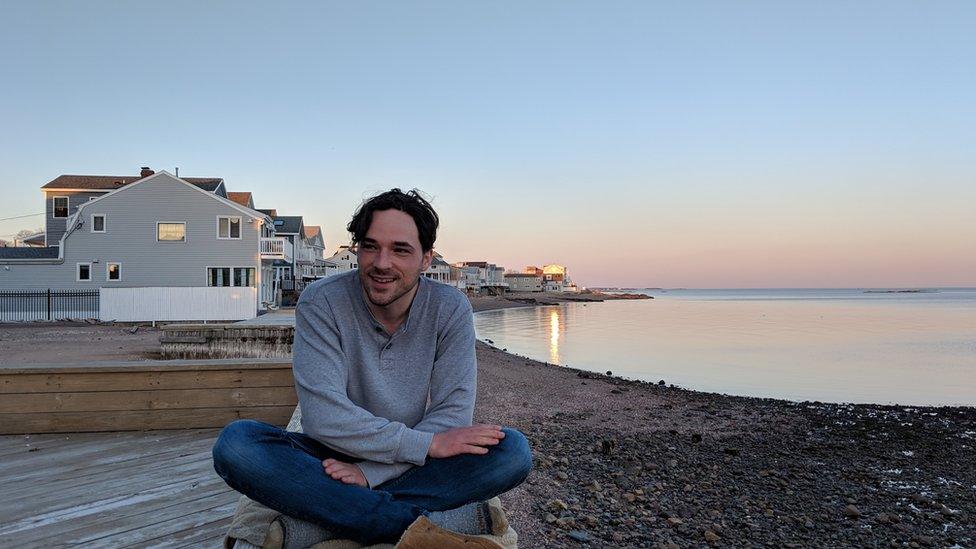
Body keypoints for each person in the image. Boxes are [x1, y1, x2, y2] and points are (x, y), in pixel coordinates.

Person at [212, 189, 533, 548]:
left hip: (410, 460)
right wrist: (425, 444)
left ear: (426, 259)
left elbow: (452, 414)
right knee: (238, 445)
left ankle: (318, 526)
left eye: (400, 249)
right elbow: (324, 417)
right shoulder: (322, 302)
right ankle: (432, 524)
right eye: (369, 246)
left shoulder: (449, 308)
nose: (382, 263)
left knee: (513, 452)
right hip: (330, 455)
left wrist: (368, 474)